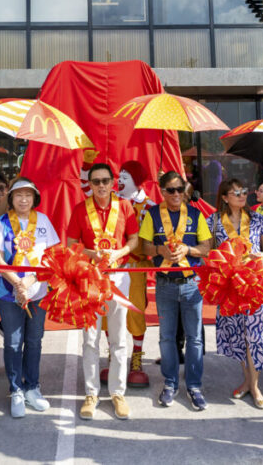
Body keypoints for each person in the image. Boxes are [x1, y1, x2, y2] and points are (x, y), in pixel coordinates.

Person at [66, 162, 141, 420]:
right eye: (96, 181)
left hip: (118, 277)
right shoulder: (80, 209)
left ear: (112, 182)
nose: (101, 186)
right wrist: (91, 254)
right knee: (90, 339)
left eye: (105, 181)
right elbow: (71, 244)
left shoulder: (125, 206)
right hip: (90, 279)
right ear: (90, 184)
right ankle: (91, 394)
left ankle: (118, 393)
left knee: (119, 338)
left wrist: (119, 253)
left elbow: (134, 239)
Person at [0, 178, 60, 418]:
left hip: (38, 292)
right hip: (9, 294)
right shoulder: (2, 223)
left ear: (34, 198)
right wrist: (17, 283)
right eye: (18, 195)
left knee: (35, 340)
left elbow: (52, 256)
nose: (23, 199)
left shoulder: (44, 221)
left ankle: (33, 387)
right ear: (11, 199)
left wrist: (30, 281)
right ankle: (16, 389)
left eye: (28, 195)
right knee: (13, 342)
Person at [140, 171, 213, 410]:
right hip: (165, 285)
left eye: (180, 189)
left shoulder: (195, 214)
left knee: (194, 338)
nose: (176, 194)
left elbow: (206, 247)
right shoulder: (152, 214)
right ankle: (170, 383)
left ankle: (194, 385)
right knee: (166, 337)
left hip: (191, 284)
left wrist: (188, 250)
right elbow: (144, 247)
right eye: (170, 190)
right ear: (162, 191)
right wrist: (160, 250)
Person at [208, 179, 263, 409]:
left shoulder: (257, 219)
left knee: (256, 335)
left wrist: (261, 256)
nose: (242, 195)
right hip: (230, 285)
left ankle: (255, 385)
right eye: (236, 192)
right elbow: (208, 250)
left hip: (255, 284)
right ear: (224, 197)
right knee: (238, 334)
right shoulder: (213, 221)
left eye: (243, 191)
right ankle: (247, 381)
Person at [115, 160, 154, 387]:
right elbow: (87, 189)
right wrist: (87, 165)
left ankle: (137, 357)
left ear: (137, 180)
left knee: (136, 311)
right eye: (119, 175)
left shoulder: (150, 207)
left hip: (136, 268)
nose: (119, 179)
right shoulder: (111, 202)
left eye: (125, 176)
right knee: (111, 311)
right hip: (113, 267)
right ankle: (113, 356)